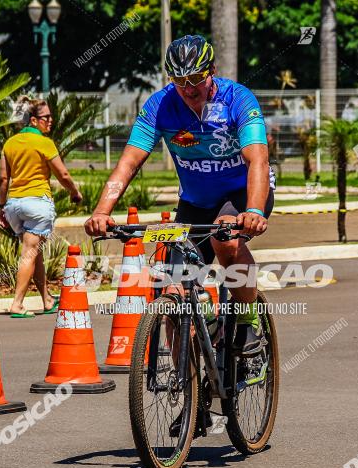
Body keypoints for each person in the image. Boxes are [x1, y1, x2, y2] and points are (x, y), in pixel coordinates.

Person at [84, 35, 274, 355]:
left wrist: (253, 210)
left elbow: (258, 158)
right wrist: (102, 211)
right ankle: (189, 388)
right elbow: (129, 163)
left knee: (225, 238)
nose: (189, 89)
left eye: (197, 78)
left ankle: (246, 320)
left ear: (212, 71)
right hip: (196, 202)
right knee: (172, 293)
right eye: (180, 80)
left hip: (241, 195)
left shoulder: (238, 99)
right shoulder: (161, 105)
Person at [0, 96, 83, 317]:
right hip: (37, 205)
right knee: (29, 253)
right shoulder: (45, 143)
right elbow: (63, 174)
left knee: (33, 253)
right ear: (33, 121)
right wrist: (75, 192)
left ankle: (46, 299)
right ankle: (17, 304)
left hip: (14, 205)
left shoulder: (9, 143)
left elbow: (3, 180)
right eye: (46, 117)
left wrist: (0, 207)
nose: (51, 120)